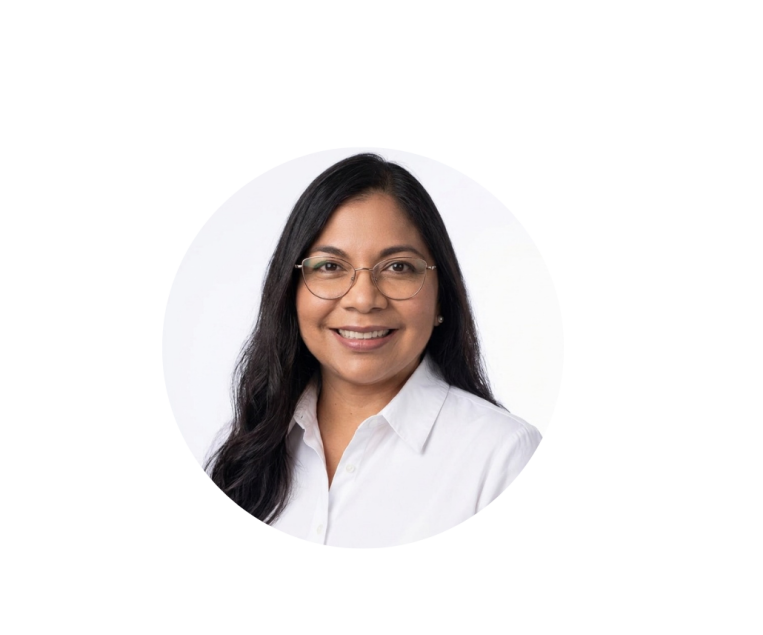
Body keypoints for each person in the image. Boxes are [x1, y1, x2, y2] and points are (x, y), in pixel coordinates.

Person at [206, 153, 541, 548]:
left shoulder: (504, 458)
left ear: (441, 297)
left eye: (398, 267)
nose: (364, 300)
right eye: (330, 267)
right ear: (289, 291)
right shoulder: (243, 452)